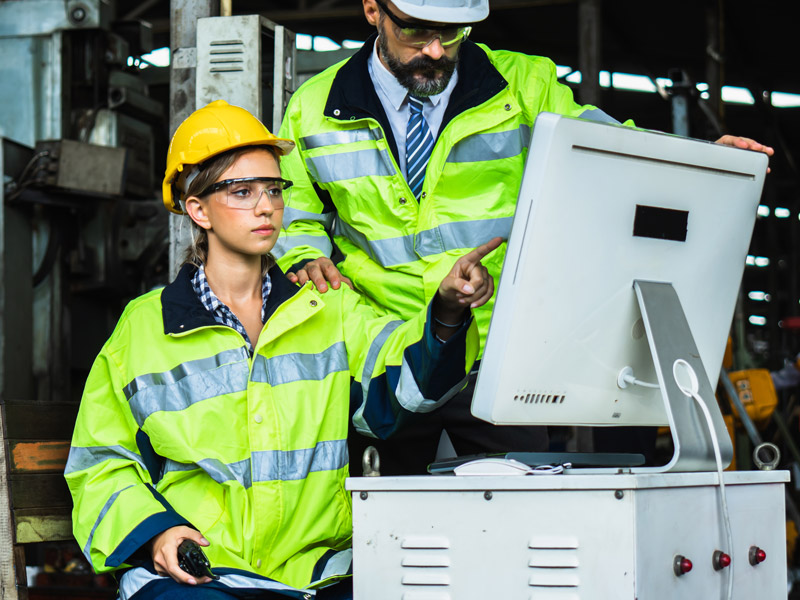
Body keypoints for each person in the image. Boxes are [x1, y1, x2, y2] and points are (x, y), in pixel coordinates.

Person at [274, 0, 775, 474]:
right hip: (385, 355)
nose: (434, 50)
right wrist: (302, 254)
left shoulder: (522, 85)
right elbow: (293, 208)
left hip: (497, 358)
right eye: (416, 30)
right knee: (386, 528)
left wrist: (700, 161)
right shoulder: (314, 107)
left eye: (449, 33)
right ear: (371, 10)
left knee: (524, 524)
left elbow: (612, 149)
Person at [64, 99, 500, 600]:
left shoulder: (327, 309)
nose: (265, 205)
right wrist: (158, 533)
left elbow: (405, 388)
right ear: (197, 209)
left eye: (273, 189)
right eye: (242, 191)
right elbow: (100, 460)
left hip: (317, 573)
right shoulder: (144, 328)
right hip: (201, 574)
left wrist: (446, 311)